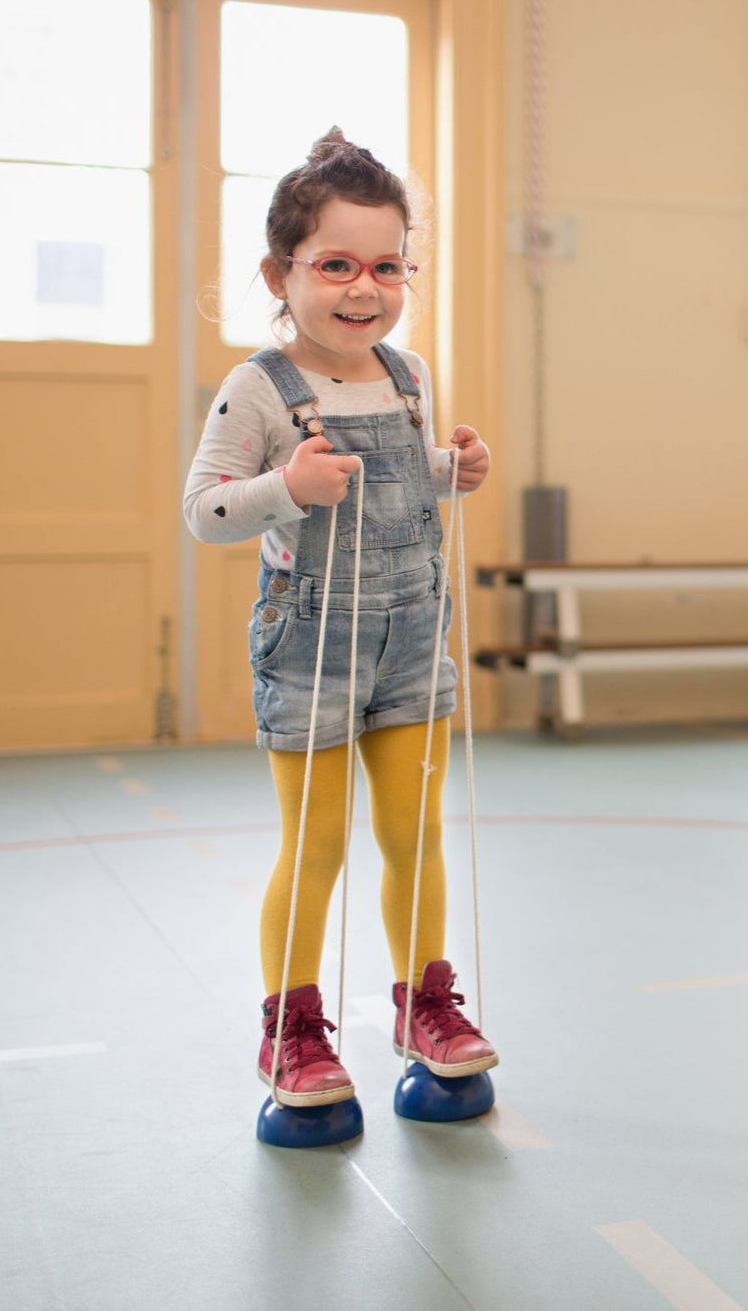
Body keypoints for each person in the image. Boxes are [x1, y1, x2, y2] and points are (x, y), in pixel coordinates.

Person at [184, 128, 497, 1110]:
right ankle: (293, 1028)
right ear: (281, 273)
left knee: (418, 835)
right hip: (312, 649)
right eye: (336, 266)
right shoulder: (257, 387)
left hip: (411, 642)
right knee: (316, 844)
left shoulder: (408, 376)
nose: (364, 289)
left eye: (387, 266)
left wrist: (455, 473)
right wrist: (287, 483)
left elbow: (399, 491)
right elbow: (204, 511)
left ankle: (425, 1004)